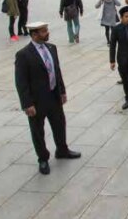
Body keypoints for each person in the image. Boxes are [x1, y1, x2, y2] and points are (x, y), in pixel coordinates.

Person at [14, 22, 81, 175]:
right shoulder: (23, 55)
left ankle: (62, 149)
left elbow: (56, 71)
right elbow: (21, 82)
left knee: (59, 124)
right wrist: (27, 104)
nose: (47, 33)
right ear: (34, 34)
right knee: (38, 131)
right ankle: (43, 158)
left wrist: (62, 91)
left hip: (53, 96)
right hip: (37, 101)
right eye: (43, 32)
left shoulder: (52, 48)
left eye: (47, 30)